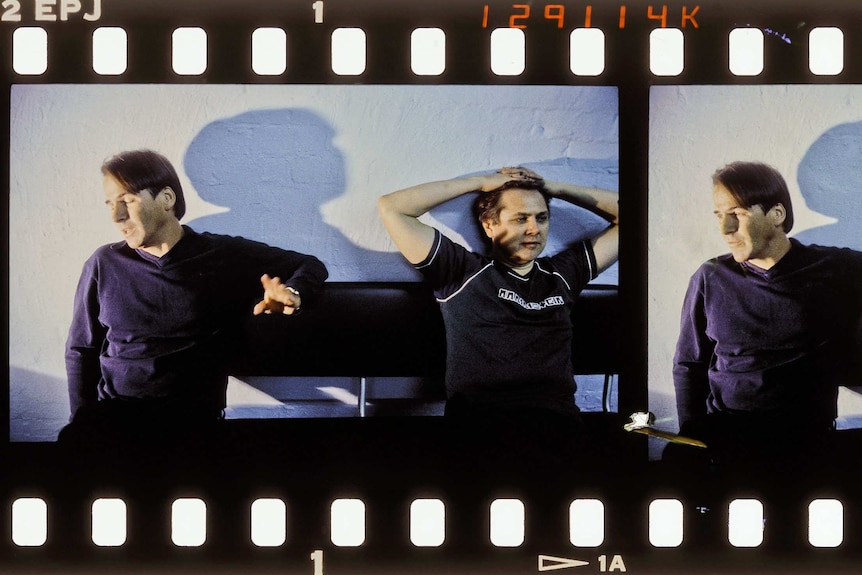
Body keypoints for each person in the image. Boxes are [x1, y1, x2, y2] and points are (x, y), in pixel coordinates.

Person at [60, 149, 328, 447]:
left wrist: (292, 294)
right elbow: (81, 349)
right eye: (110, 204)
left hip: (192, 424)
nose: (116, 216)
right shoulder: (104, 262)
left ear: (166, 199)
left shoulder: (221, 255)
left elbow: (310, 265)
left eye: (127, 200)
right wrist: (82, 417)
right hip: (115, 417)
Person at [377, 167, 618, 461]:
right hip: (478, 428)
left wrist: (552, 187)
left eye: (541, 218)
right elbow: (392, 208)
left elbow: (635, 215)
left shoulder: (563, 273)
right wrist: (478, 182)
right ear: (489, 225)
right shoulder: (461, 271)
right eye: (520, 219)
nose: (534, 229)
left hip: (557, 426)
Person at [671, 161, 862, 467]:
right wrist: (691, 435)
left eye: (738, 214)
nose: (725, 229)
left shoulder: (835, 268)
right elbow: (688, 363)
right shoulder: (710, 276)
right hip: (728, 436)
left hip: (807, 440)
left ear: (777, 214)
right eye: (719, 216)